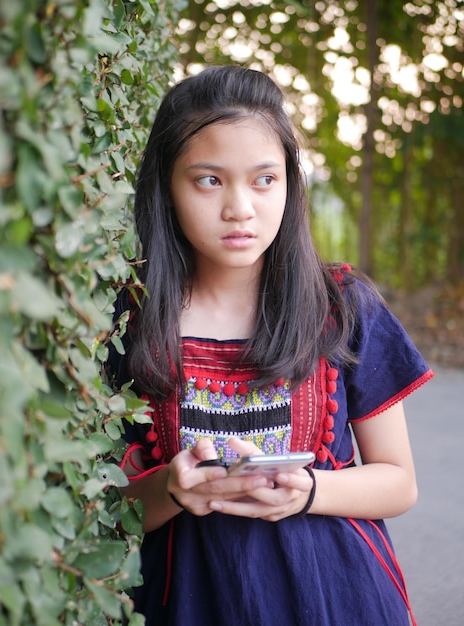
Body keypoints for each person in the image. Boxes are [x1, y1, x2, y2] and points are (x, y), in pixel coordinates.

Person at [108, 65, 433, 626]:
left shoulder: (342, 305)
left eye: (264, 179)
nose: (240, 207)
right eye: (208, 180)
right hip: (186, 597)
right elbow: (105, 509)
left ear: (289, 182)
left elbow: (399, 482)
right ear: (166, 185)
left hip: (335, 592)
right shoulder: (128, 318)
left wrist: (307, 491)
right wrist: (171, 489)